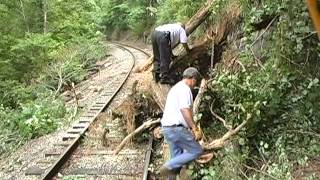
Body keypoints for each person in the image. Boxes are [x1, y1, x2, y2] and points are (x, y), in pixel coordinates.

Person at [159, 67, 203, 179]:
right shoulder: (185, 89)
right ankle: (168, 166)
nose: (195, 85)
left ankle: (170, 173)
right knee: (196, 150)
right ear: (192, 78)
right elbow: (184, 110)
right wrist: (194, 128)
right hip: (176, 129)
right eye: (195, 81)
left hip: (167, 128)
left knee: (176, 157)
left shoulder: (176, 88)